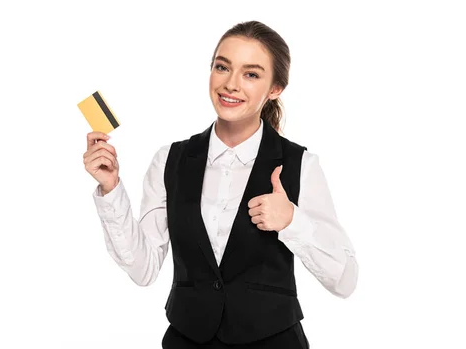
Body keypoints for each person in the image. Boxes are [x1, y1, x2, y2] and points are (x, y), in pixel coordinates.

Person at [82, 20, 358, 348]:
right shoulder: (169, 160)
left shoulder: (302, 165)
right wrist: (111, 188)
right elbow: (143, 269)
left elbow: (346, 280)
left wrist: (291, 221)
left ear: (275, 89)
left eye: (251, 74)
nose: (231, 84)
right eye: (222, 67)